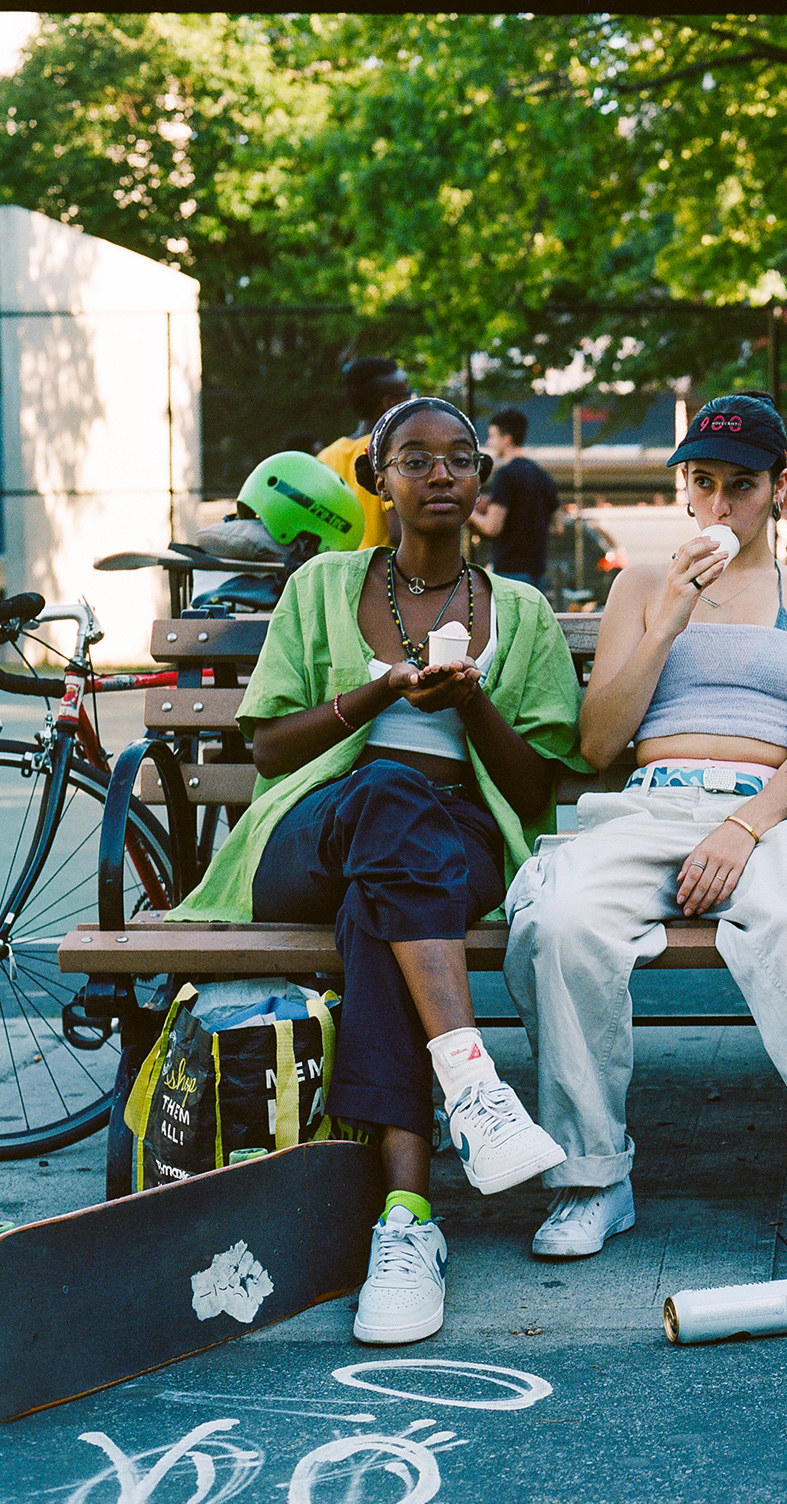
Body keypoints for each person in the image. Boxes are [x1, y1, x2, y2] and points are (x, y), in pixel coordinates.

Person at [167, 397, 589, 1346]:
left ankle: (408, 1220)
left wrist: (470, 701)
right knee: (391, 790)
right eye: (415, 459)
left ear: (482, 479)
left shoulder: (516, 612)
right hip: (313, 828)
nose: (440, 475)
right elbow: (272, 748)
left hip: (457, 842)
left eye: (460, 459)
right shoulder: (322, 584)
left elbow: (528, 787)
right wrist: (379, 691)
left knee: (384, 906)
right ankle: (472, 1081)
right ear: (378, 479)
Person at [503, 392, 787, 1291]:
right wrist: (671, 611)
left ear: (780, 489)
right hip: (650, 801)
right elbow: (597, 745)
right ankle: (592, 1176)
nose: (716, 505)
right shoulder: (639, 586)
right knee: (558, 920)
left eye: (739, 485)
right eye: (700, 482)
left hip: (765, 808)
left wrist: (744, 829)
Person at [318, 358, 414, 551]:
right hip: (381, 575)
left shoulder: (325, 457)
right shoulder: (390, 450)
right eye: (408, 395)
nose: (413, 401)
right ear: (390, 403)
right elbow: (399, 533)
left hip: (335, 573)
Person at [468, 407, 560, 593]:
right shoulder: (542, 476)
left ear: (507, 439)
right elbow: (558, 527)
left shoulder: (506, 475)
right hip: (536, 573)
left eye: (492, 436)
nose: (489, 442)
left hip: (509, 572)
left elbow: (492, 527)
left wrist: (469, 512)